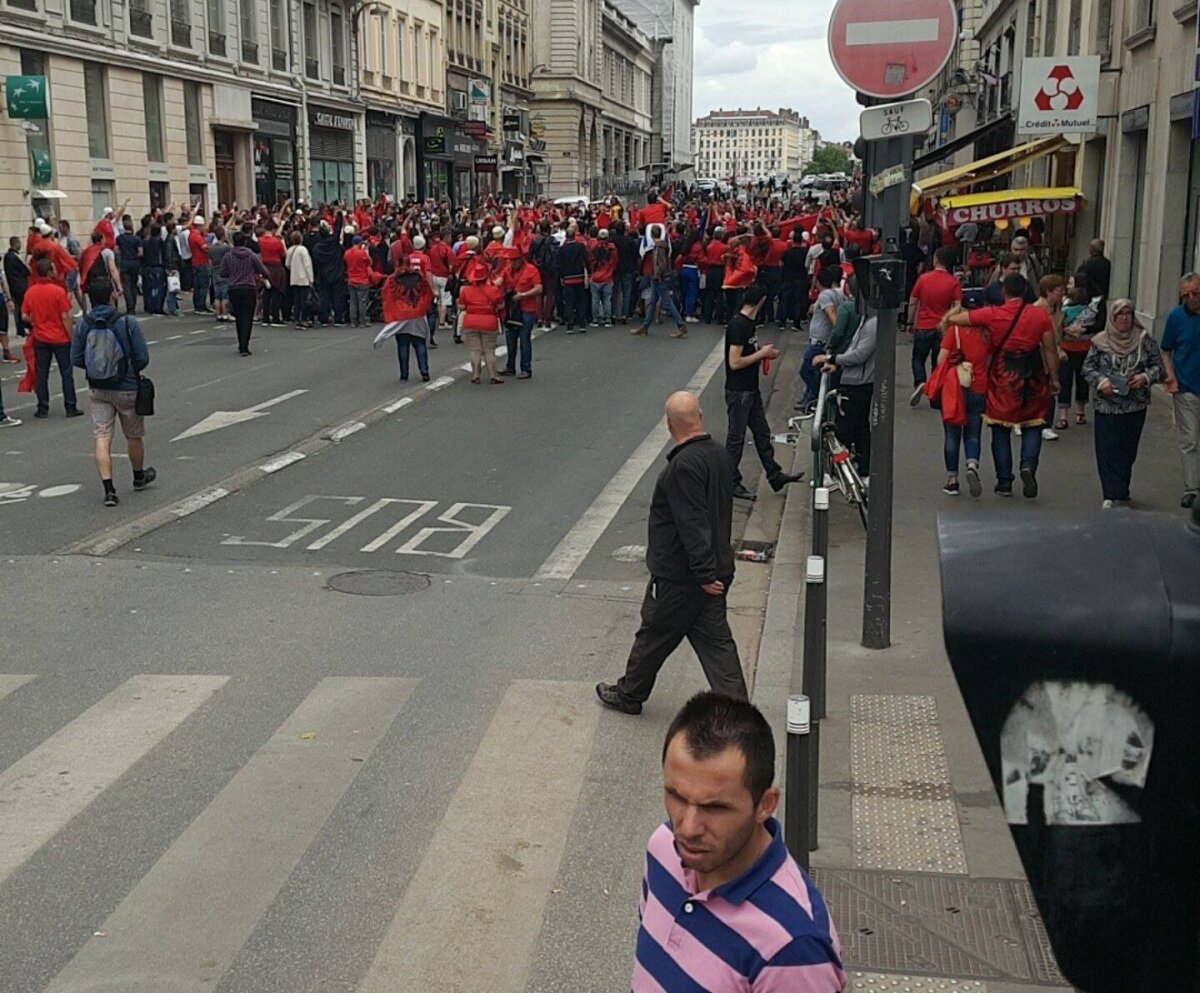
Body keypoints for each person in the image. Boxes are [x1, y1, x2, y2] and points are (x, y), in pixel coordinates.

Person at [632, 692, 845, 993]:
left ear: (765, 804)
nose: (688, 828)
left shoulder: (793, 946)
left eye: (715, 808)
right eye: (677, 797)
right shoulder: (663, 846)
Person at [596, 391, 746, 714]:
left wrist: (703, 574)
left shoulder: (683, 467)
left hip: (683, 576)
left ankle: (630, 694)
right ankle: (738, 711)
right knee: (716, 645)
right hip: (716, 569)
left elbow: (692, 524)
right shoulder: (719, 455)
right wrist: (714, 570)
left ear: (669, 424)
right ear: (700, 416)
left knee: (654, 635)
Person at [946, 273, 1059, 498]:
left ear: (1004, 292)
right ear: (1026, 291)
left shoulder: (993, 314)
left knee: (1000, 427)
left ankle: (1004, 481)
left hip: (1003, 372)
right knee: (1034, 422)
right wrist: (1054, 377)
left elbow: (958, 320)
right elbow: (1049, 349)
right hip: (1033, 371)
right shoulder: (1040, 315)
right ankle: (1028, 465)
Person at [71, 278, 154, 507]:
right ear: (112, 296)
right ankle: (138, 475)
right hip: (127, 387)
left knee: (102, 435)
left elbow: (76, 358)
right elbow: (142, 358)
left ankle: (109, 489)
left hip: (98, 388)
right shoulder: (127, 322)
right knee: (134, 435)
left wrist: (96, 367)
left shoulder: (84, 324)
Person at [724, 285, 803, 501]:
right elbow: (735, 362)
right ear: (762, 301)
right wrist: (761, 354)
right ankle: (730, 481)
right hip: (739, 390)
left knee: (761, 432)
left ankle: (774, 473)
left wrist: (762, 354)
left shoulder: (748, 324)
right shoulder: (739, 325)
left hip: (750, 388)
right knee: (736, 438)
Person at [1082, 300, 1164, 508]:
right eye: (1120, 314)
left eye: (1128, 313)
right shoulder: (1100, 341)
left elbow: (1158, 366)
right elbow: (1088, 368)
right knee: (1107, 449)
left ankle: (1122, 489)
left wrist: (1144, 378)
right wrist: (1102, 382)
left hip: (1134, 405)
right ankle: (1111, 493)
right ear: (1112, 317)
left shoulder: (1143, 340)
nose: (1124, 318)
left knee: (1127, 449)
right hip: (1107, 405)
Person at [933, 306, 991, 496]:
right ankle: (972, 464)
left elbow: (941, 360)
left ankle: (952, 480)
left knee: (952, 434)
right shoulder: (986, 334)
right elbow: (989, 361)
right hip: (979, 386)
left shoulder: (954, 331)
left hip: (955, 388)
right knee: (973, 432)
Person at [815, 314, 877, 485]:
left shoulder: (872, 323)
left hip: (858, 382)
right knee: (860, 429)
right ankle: (863, 471)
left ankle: (835, 473)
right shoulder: (866, 320)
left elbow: (859, 354)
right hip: (858, 379)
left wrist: (831, 358)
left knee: (844, 429)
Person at [21, 258, 81, 419]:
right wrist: (71, 337)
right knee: (66, 373)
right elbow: (65, 317)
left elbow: (24, 315)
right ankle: (70, 406)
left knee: (42, 374)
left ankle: (42, 407)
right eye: (53, 269)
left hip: (41, 337)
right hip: (60, 338)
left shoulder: (31, 292)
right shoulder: (58, 292)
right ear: (48, 272)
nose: (56, 271)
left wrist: (35, 321)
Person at [1162, 273, 1200, 509]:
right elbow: (1166, 349)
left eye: (1195, 293)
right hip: (1186, 386)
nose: (1191, 298)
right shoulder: (1176, 316)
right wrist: (1170, 377)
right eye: (1186, 295)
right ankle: (1192, 489)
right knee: (1190, 440)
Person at [906, 246, 962, 405]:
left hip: (924, 325)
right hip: (942, 328)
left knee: (918, 357)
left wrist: (910, 322)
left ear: (935, 259)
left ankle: (920, 381)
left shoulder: (923, 278)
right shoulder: (953, 282)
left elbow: (913, 302)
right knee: (938, 361)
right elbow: (958, 305)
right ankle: (935, 394)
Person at [380, 252, 435, 382]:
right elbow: (427, 292)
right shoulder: (419, 277)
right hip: (417, 314)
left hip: (400, 315)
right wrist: (422, 307)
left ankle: (404, 373)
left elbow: (386, 296)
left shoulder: (392, 279)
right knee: (419, 343)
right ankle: (424, 370)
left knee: (403, 344)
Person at [1055, 277, 1099, 429]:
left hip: (1072, 347)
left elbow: (1058, 327)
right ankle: (1079, 412)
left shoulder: (1063, 309)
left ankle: (1064, 416)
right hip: (1081, 348)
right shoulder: (1091, 309)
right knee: (1078, 381)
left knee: (1067, 381)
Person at [797, 266, 841, 411]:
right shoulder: (834, 294)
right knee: (814, 370)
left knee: (806, 370)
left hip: (820, 340)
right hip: (820, 338)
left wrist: (837, 332)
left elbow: (830, 312)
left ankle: (816, 398)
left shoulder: (825, 296)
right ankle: (808, 398)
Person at [219, 231, 270, 355]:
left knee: (239, 317)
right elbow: (264, 271)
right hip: (248, 287)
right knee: (247, 317)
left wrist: (232, 273)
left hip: (234, 288)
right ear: (245, 242)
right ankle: (244, 345)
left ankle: (240, 341)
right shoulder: (251, 255)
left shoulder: (228, 256)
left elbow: (222, 273)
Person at [457, 257, 506, 384]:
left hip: (471, 321)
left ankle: (475, 375)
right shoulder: (493, 290)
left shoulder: (466, 290)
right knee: (489, 351)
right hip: (489, 321)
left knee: (475, 350)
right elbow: (500, 306)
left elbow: (461, 306)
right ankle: (493, 375)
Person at [638, 224, 688, 338]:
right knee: (652, 302)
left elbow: (661, 264)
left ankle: (681, 325)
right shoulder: (662, 245)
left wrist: (657, 275)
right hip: (660, 277)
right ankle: (645, 326)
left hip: (659, 277)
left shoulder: (658, 247)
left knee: (667, 302)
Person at [504, 251, 541, 379]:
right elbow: (500, 283)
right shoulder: (507, 270)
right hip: (512, 310)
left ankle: (526, 368)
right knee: (510, 339)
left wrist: (523, 295)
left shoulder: (531, 270)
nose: (512, 262)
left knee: (524, 340)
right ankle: (510, 366)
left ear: (521, 259)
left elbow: (538, 288)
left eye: (515, 260)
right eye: (511, 260)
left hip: (527, 309)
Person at [286, 231, 314, 328]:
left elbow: (287, 264)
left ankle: (297, 319)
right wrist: (311, 278)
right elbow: (307, 265)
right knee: (304, 300)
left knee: (296, 300)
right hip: (303, 279)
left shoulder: (290, 250)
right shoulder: (303, 250)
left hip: (294, 278)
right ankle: (304, 319)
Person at [114, 217, 142, 315]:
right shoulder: (137, 239)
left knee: (126, 285)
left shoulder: (119, 238)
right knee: (134, 285)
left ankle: (130, 307)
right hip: (134, 263)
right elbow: (140, 252)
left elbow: (116, 250)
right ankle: (133, 305)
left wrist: (123, 253)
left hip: (124, 262)